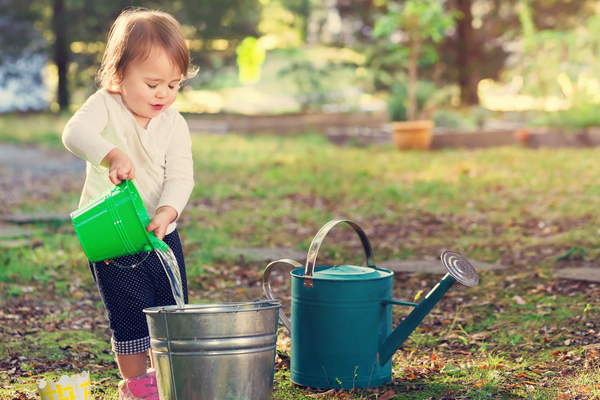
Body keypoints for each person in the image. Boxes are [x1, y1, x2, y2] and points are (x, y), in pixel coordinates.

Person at [62, 7, 196, 400]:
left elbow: (181, 176)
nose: (163, 94)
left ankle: (166, 375)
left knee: (171, 308)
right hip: (113, 237)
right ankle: (137, 385)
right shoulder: (105, 104)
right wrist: (112, 155)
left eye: (174, 85)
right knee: (129, 311)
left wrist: (167, 212)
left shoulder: (174, 123)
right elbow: (74, 133)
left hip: (160, 234)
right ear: (119, 74)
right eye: (153, 82)